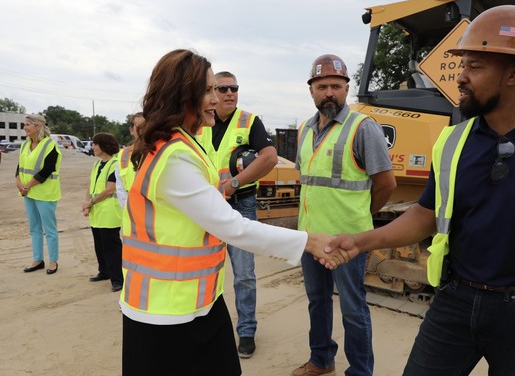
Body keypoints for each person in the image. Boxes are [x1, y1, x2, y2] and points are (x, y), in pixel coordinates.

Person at [327, 5, 515, 376]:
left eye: (474, 67)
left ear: (514, 73)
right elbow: (425, 214)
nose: (460, 78)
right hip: (455, 302)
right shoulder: (453, 141)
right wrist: (361, 241)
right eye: (462, 65)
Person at [120, 49, 346, 376]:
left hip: (196, 301)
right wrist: (308, 242)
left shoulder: (183, 143)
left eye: (223, 89)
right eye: (210, 90)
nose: (220, 97)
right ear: (185, 97)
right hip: (166, 313)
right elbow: (234, 228)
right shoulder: (175, 158)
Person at [291, 54, 396, 376]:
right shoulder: (305, 130)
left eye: (336, 86)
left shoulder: (363, 128)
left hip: (347, 241)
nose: (329, 93)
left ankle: (361, 371)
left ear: (346, 89)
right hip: (311, 238)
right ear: (311, 90)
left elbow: (386, 184)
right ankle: (321, 360)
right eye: (322, 86)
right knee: (317, 302)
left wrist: (361, 221)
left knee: (353, 308)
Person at [196, 71, 278, 358]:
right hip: (205, 206)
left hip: (240, 203)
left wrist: (233, 184)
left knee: (243, 273)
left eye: (235, 88)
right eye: (223, 88)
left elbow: (269, 157)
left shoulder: (249, 121)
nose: (230, 93)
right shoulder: (199, 122)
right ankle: (203, 326)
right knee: (202, 269)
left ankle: (246, 331)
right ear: (212, 93)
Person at [16, 114, 62, 275]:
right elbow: (19, 167)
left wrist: (27, 185)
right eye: (24, 125)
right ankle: (38, 260)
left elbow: (47, 170)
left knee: (49, 229)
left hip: (45, 193)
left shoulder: (50, 145)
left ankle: (53, 261)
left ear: (37, 126)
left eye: (27, 124)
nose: (24, 128)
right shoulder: (24, 145)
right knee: (34, 228)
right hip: (28, 193)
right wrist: (19, 183)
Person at [82, 132, 124, 292]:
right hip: (97, 211)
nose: (92, 147)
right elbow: (91, 186)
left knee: (111, 247)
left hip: (109, 211)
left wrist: (91, 202)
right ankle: (104, 271)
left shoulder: (115, 164)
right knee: (99, 245)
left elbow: (110, 189)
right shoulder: (97, 164)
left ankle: (118, 278)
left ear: (104, 146)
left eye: (95, 144)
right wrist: (87, 204)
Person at [115, 112, 145, 208]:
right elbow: (120, 186)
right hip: (131, 209)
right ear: (131, 130)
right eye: (140, 127)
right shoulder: (123, 154)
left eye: (147, 126)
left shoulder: (160, 151)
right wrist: (129, 209)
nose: (144, 130)